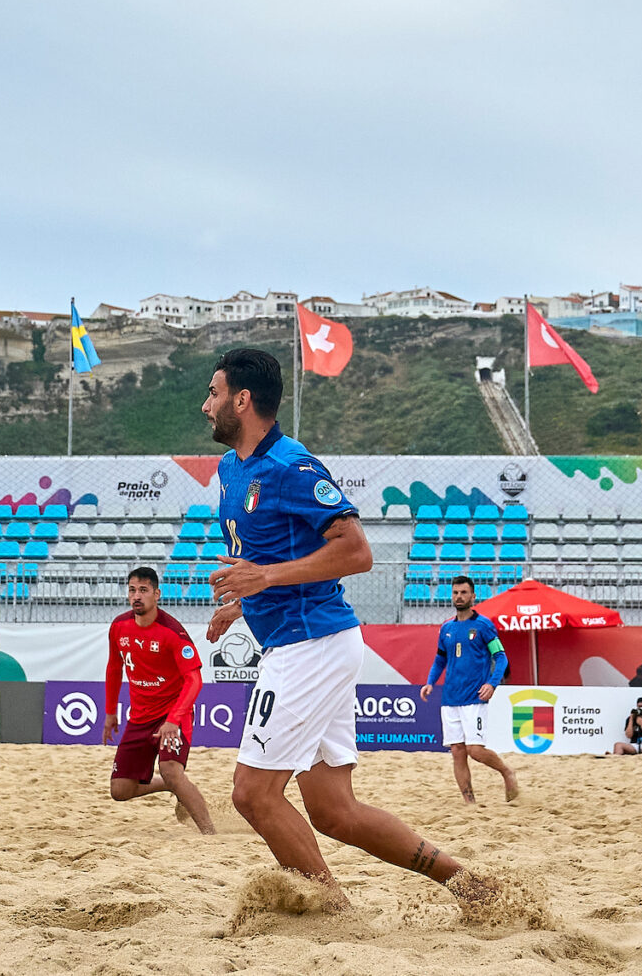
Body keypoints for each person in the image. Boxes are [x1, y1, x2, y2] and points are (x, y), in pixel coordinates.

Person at [203, 348, 489, 913]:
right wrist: (246, 602)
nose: (205, 404)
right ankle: (470, 886)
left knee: (253, 795)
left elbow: (357, 552)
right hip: (310, 641)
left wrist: (264, 578)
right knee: (335, 811)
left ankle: (332, 914)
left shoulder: (291, 465)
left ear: (243, 399)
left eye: (213, 393)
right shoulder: (233, 468)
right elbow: (273, 558)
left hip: (309, 646)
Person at [103, 566, 216, 834]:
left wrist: (174, 720)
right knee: (120, 791)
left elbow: (194, 680)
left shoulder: (172, 632)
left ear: (157, 594)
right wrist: (110, 712)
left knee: (171, 769)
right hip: (139, 718)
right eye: (132, 590)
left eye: (143, 590)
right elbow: (113, 668)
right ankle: (169, 786)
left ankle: (211, 835)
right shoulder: (119, 627)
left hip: (172, 715)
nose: (136, 596)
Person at [420, 574, 520, 803]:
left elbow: (501, 657)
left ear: (473, 596)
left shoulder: (484, 625)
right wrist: (430, 682)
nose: (459, 596)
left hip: (474, 698)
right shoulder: (446, 628)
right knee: (457, 752)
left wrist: (492, 684)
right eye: (455, 592)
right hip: (450, 698)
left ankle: (506, 772)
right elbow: (439, 660)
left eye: (464, 592)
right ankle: (469, 803)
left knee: (475, 750)